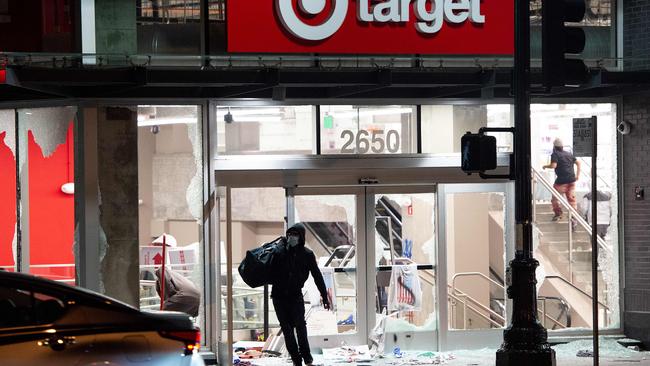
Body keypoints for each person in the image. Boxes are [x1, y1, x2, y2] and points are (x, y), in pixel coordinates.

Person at [271, 223, 330, 366]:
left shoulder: (307, 255)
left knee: (300, 327)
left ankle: (307, 358)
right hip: (279, 296)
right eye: (289, 234)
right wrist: (281, 247)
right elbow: (271, 269)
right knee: (287, 330)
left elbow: (317, 276)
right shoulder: (281, 252)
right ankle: (296, 361)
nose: (292, 237)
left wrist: (324, 295)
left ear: (301, 237)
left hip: (295, 296)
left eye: (295, 234)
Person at [543, 138, 581, 224]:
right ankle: (573, 217)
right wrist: (577, 175)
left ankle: (558, 214)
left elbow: (553, 165)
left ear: (554, 146)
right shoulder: (569, 154)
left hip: (561, 181)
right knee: (571, 199)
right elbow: (579, 163)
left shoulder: (555, 154)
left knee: (555, 199)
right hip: (571, 180)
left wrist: (545, 166)